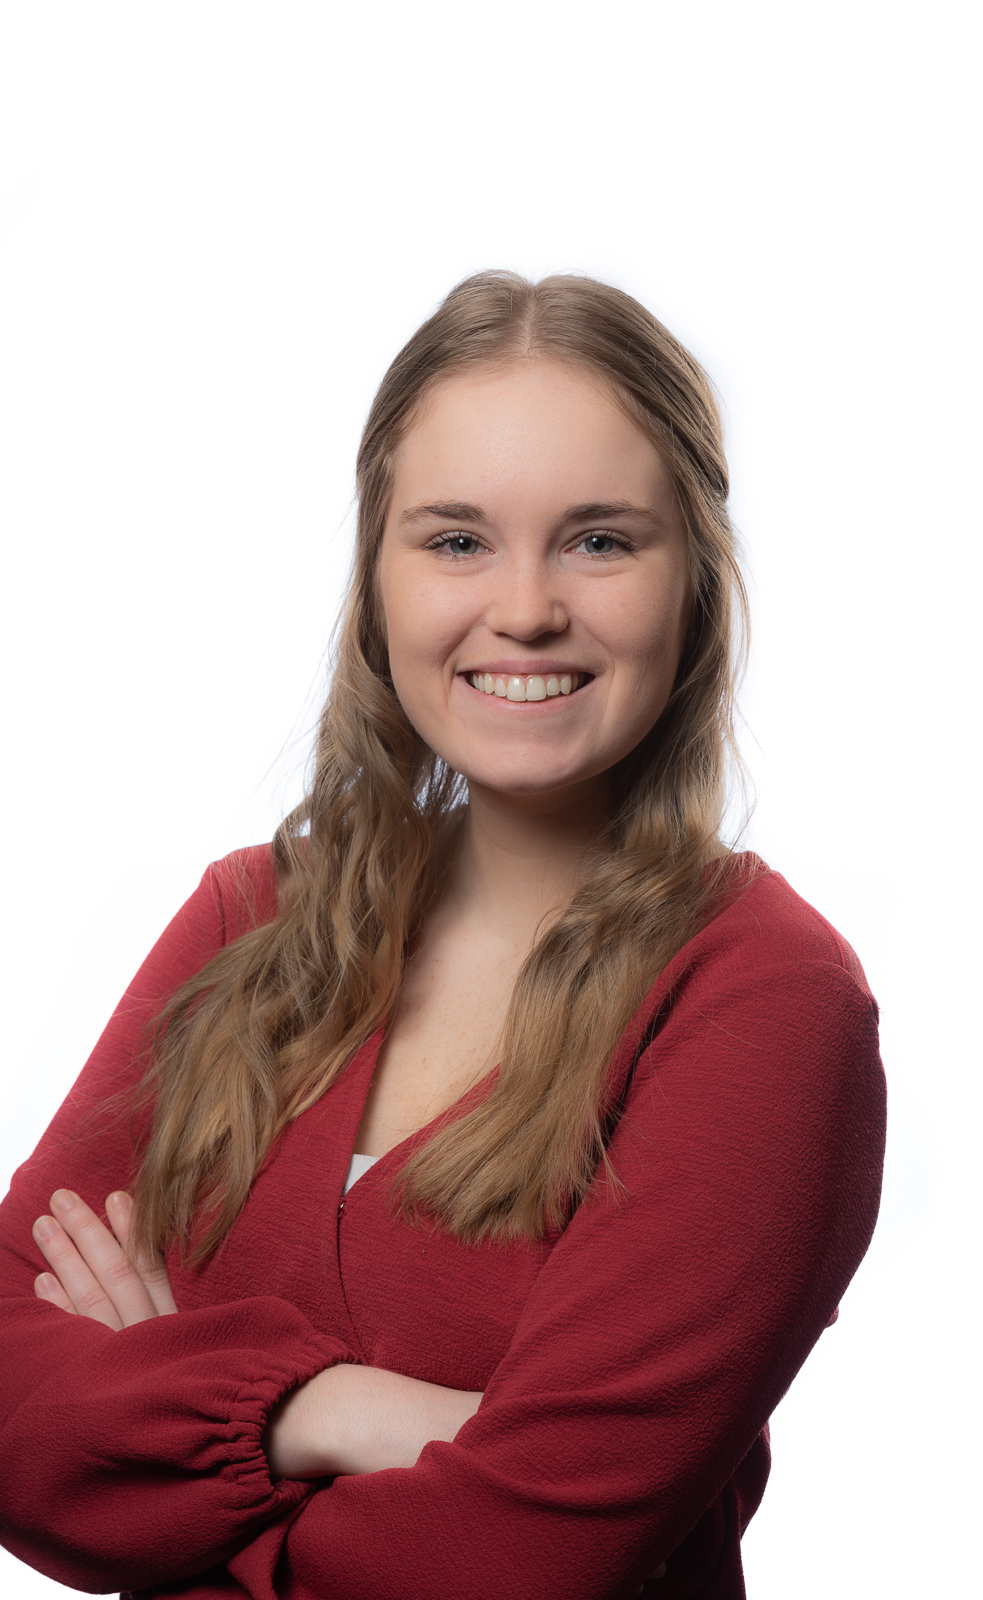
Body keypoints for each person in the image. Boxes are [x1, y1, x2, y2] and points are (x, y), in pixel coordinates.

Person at [0, 272, 885, 1600]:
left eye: (600, 540)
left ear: (694, 579)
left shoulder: (767, 1006)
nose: (524, 608)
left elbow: (519, 1563)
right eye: (457, 539)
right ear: (377, 575)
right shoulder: (253, 918)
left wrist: (164, 1434)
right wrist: (344, 1408)